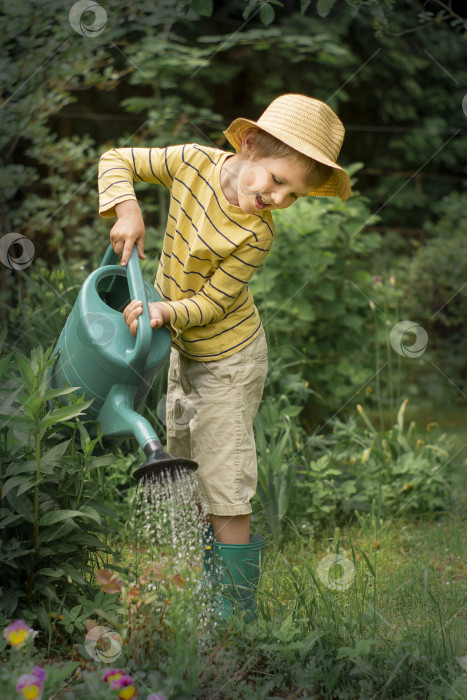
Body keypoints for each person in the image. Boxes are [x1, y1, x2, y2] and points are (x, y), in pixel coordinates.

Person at [98, 93, 351, 621]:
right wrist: (127, 208)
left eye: (294, 195)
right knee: (186, 468)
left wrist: (165, 311)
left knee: (223, 478)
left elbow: (213, 302)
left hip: (229, 362)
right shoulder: (192, 163)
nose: (279, 199)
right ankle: (201, 597)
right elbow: (116, 158)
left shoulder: (257, 232)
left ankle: (236, 615)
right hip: (182, 351)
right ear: (251, 146)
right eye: (278, 181)